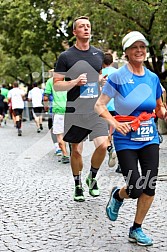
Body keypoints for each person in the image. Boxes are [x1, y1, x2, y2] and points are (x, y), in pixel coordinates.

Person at [94, 31, 167, 246]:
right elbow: (99, 105)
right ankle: (118, 195)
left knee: (150, 184)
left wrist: (162, 112)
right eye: (134, 47)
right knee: (135, 187)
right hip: (125, 139)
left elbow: (158, 106)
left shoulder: (153, 78)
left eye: (142, 47)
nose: (140, 51)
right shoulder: (117, 77)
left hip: (149, 138)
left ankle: (136, 228)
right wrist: (115, 123)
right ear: (126, 52)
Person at [54, 16, 108, 202]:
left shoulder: (98, 55)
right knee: (76, 151)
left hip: (95, 109)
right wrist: (75, 82)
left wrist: (101, 81)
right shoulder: (66, 57)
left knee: (103, 144)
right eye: (82, 27)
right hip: (75, 111)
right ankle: (77, 185)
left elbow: (99, 78)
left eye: (88, 26)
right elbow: (56, 85)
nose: (86, 29)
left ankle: (92, 178)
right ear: (74, 32)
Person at [44, 74, 70, 164]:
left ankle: (65, 154)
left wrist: (46, 107)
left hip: (58, 110)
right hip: (71, 110)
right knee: (70, 132)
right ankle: (73, 151)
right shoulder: (70, 78)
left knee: (59, 134)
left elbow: (46, 96)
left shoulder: (51, 81)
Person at [102, 52, 118, 168]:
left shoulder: (99, 74)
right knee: (116, 132)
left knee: (103, 133)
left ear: (102, 63)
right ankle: (120, 163)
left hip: (103, 107)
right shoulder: (118, 73)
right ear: (112, 61)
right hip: (117, 107)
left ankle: (109, 147)